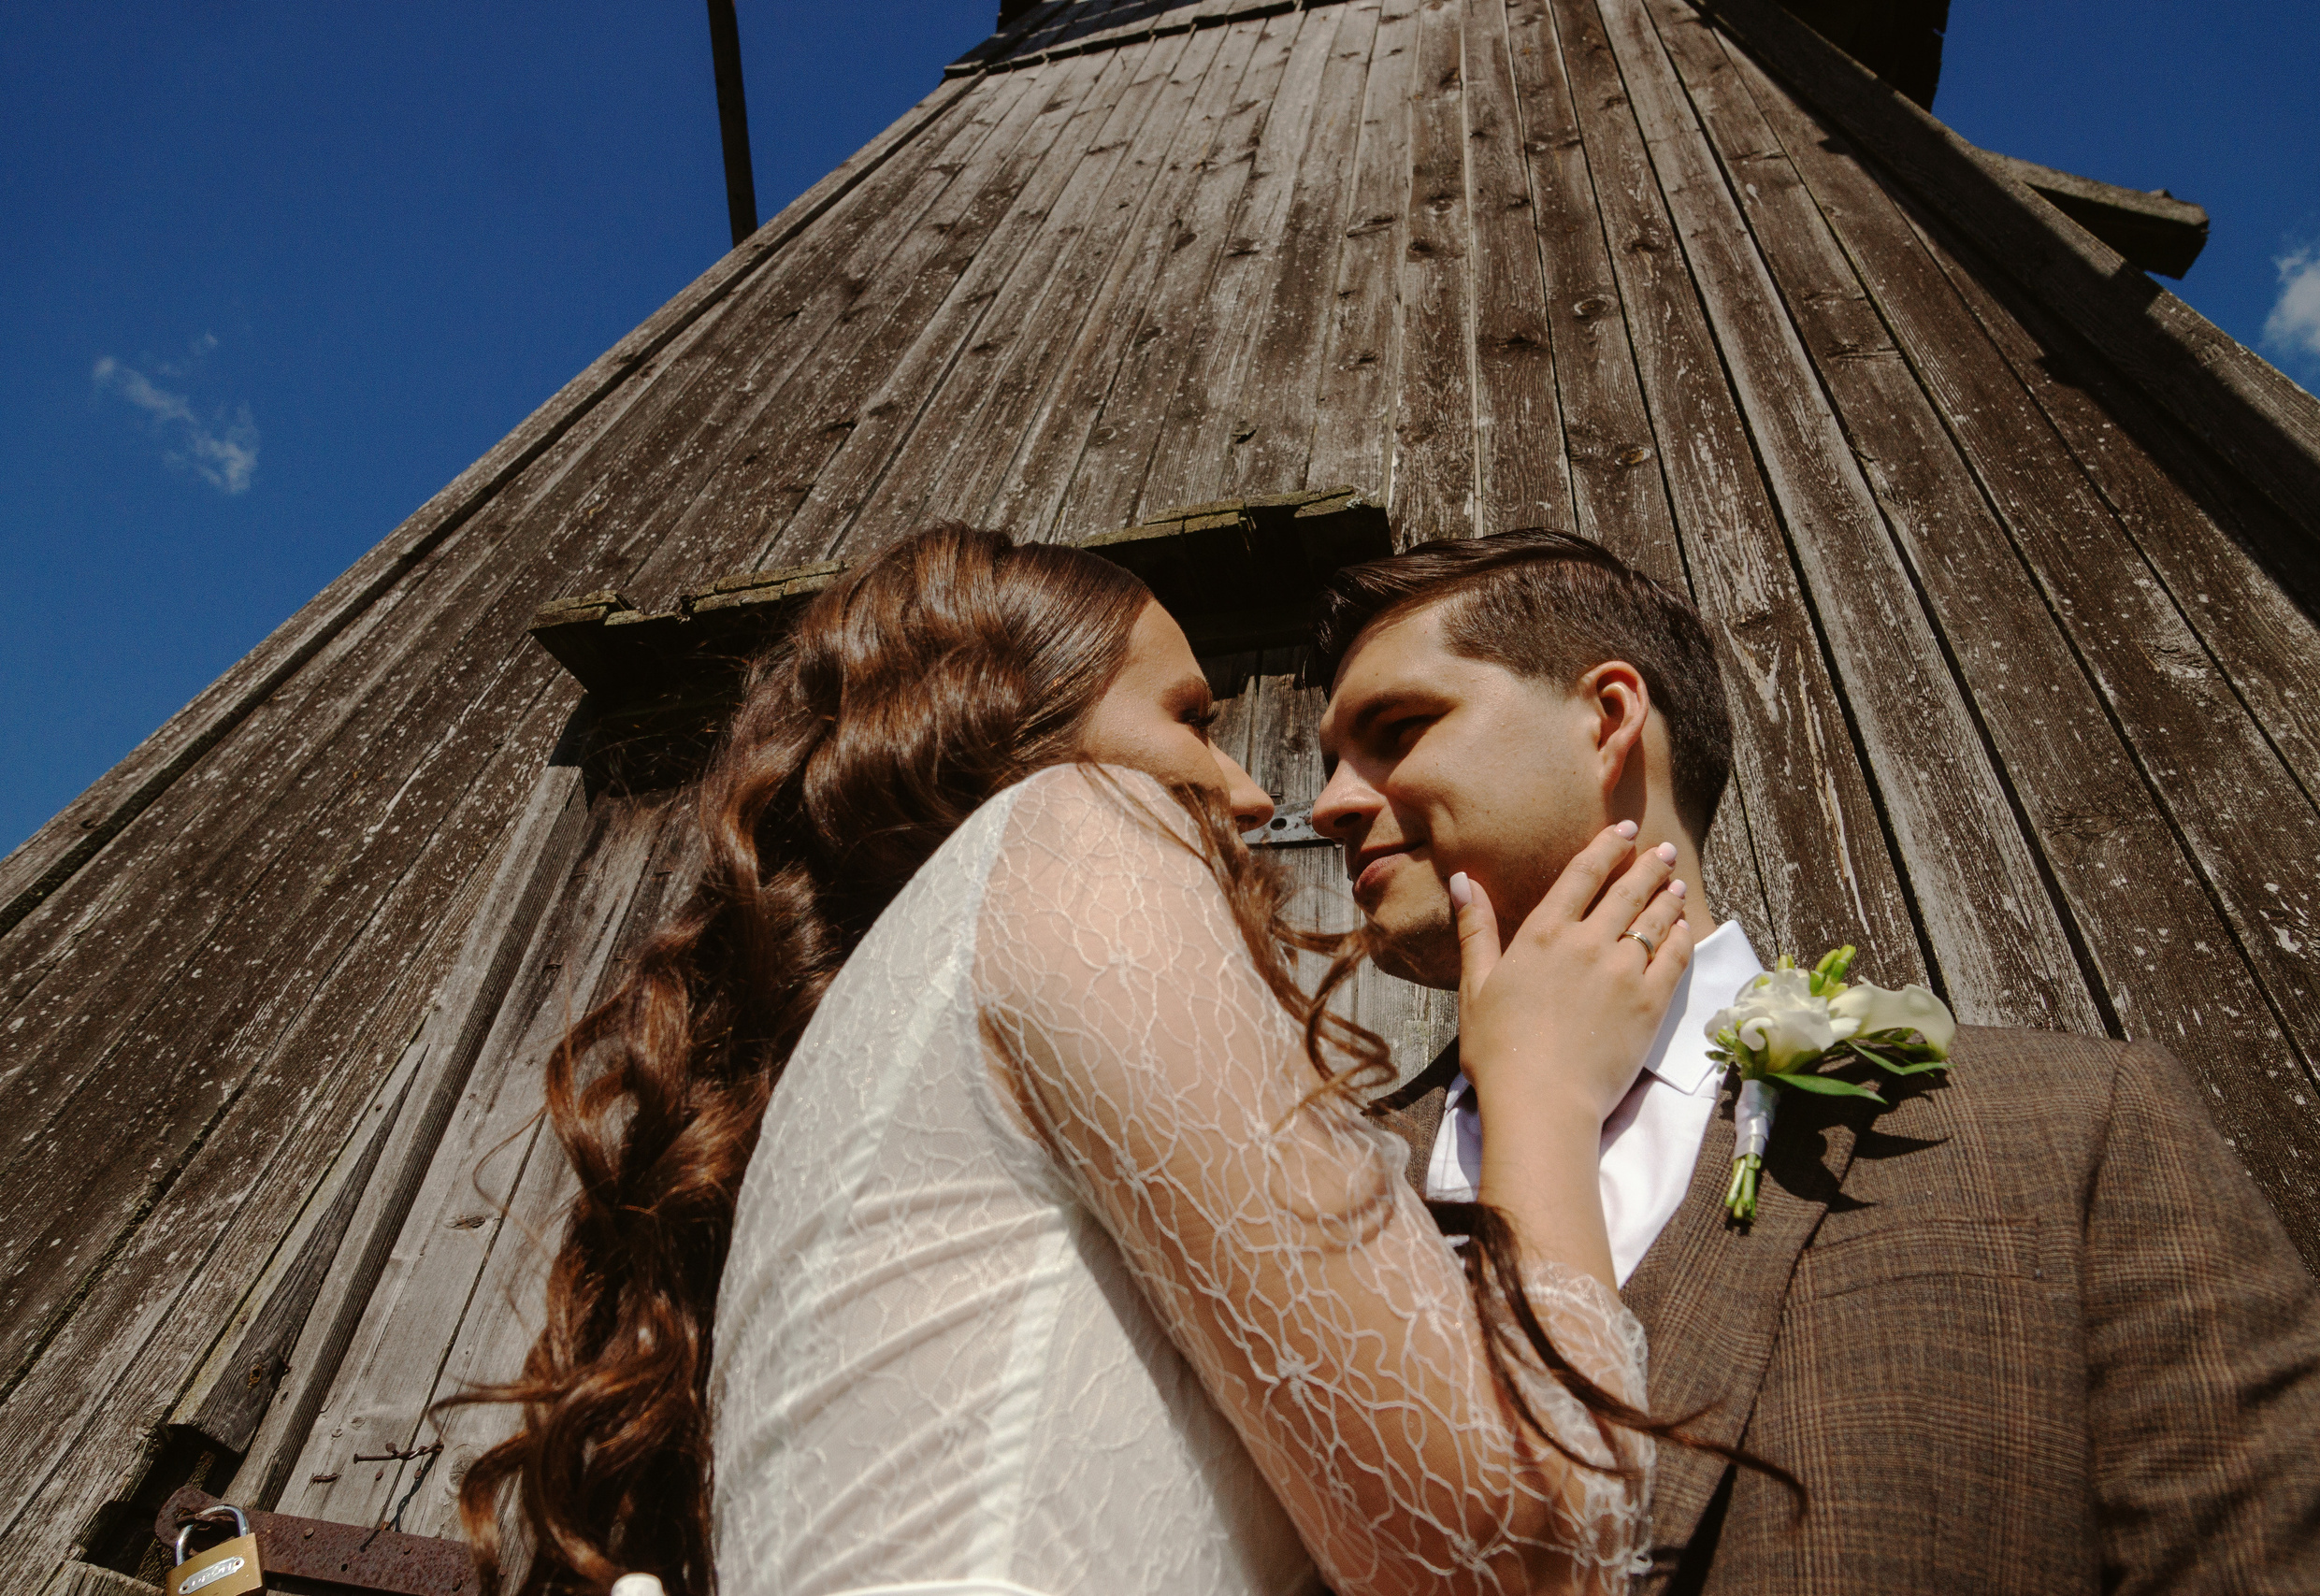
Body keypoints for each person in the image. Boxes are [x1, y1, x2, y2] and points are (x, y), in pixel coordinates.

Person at [451, 525, 1720, 1596]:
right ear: (1014, 732)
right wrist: (1543, 1095)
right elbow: (1515, 1542)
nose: (1252, 791)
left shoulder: (866, 1077)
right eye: (1189, 718)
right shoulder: (1077, 832)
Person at [1306, 527, 2320, 1593]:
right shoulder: (1309, 1189)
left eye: (1397, 730)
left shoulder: (2070, 1127)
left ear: (1608, 719)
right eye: (1330, 763)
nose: (1328, 806)